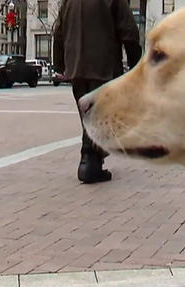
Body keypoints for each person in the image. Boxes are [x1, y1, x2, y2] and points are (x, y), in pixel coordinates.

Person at [53, 0, 142, 184]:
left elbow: (58, 32)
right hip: (103, 66)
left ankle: (92, 160)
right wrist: (136, 64)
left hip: (76, 67)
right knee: (99, 118)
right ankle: (89, 161)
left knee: (90, 117)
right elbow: (129, 32)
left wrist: (61, 65)